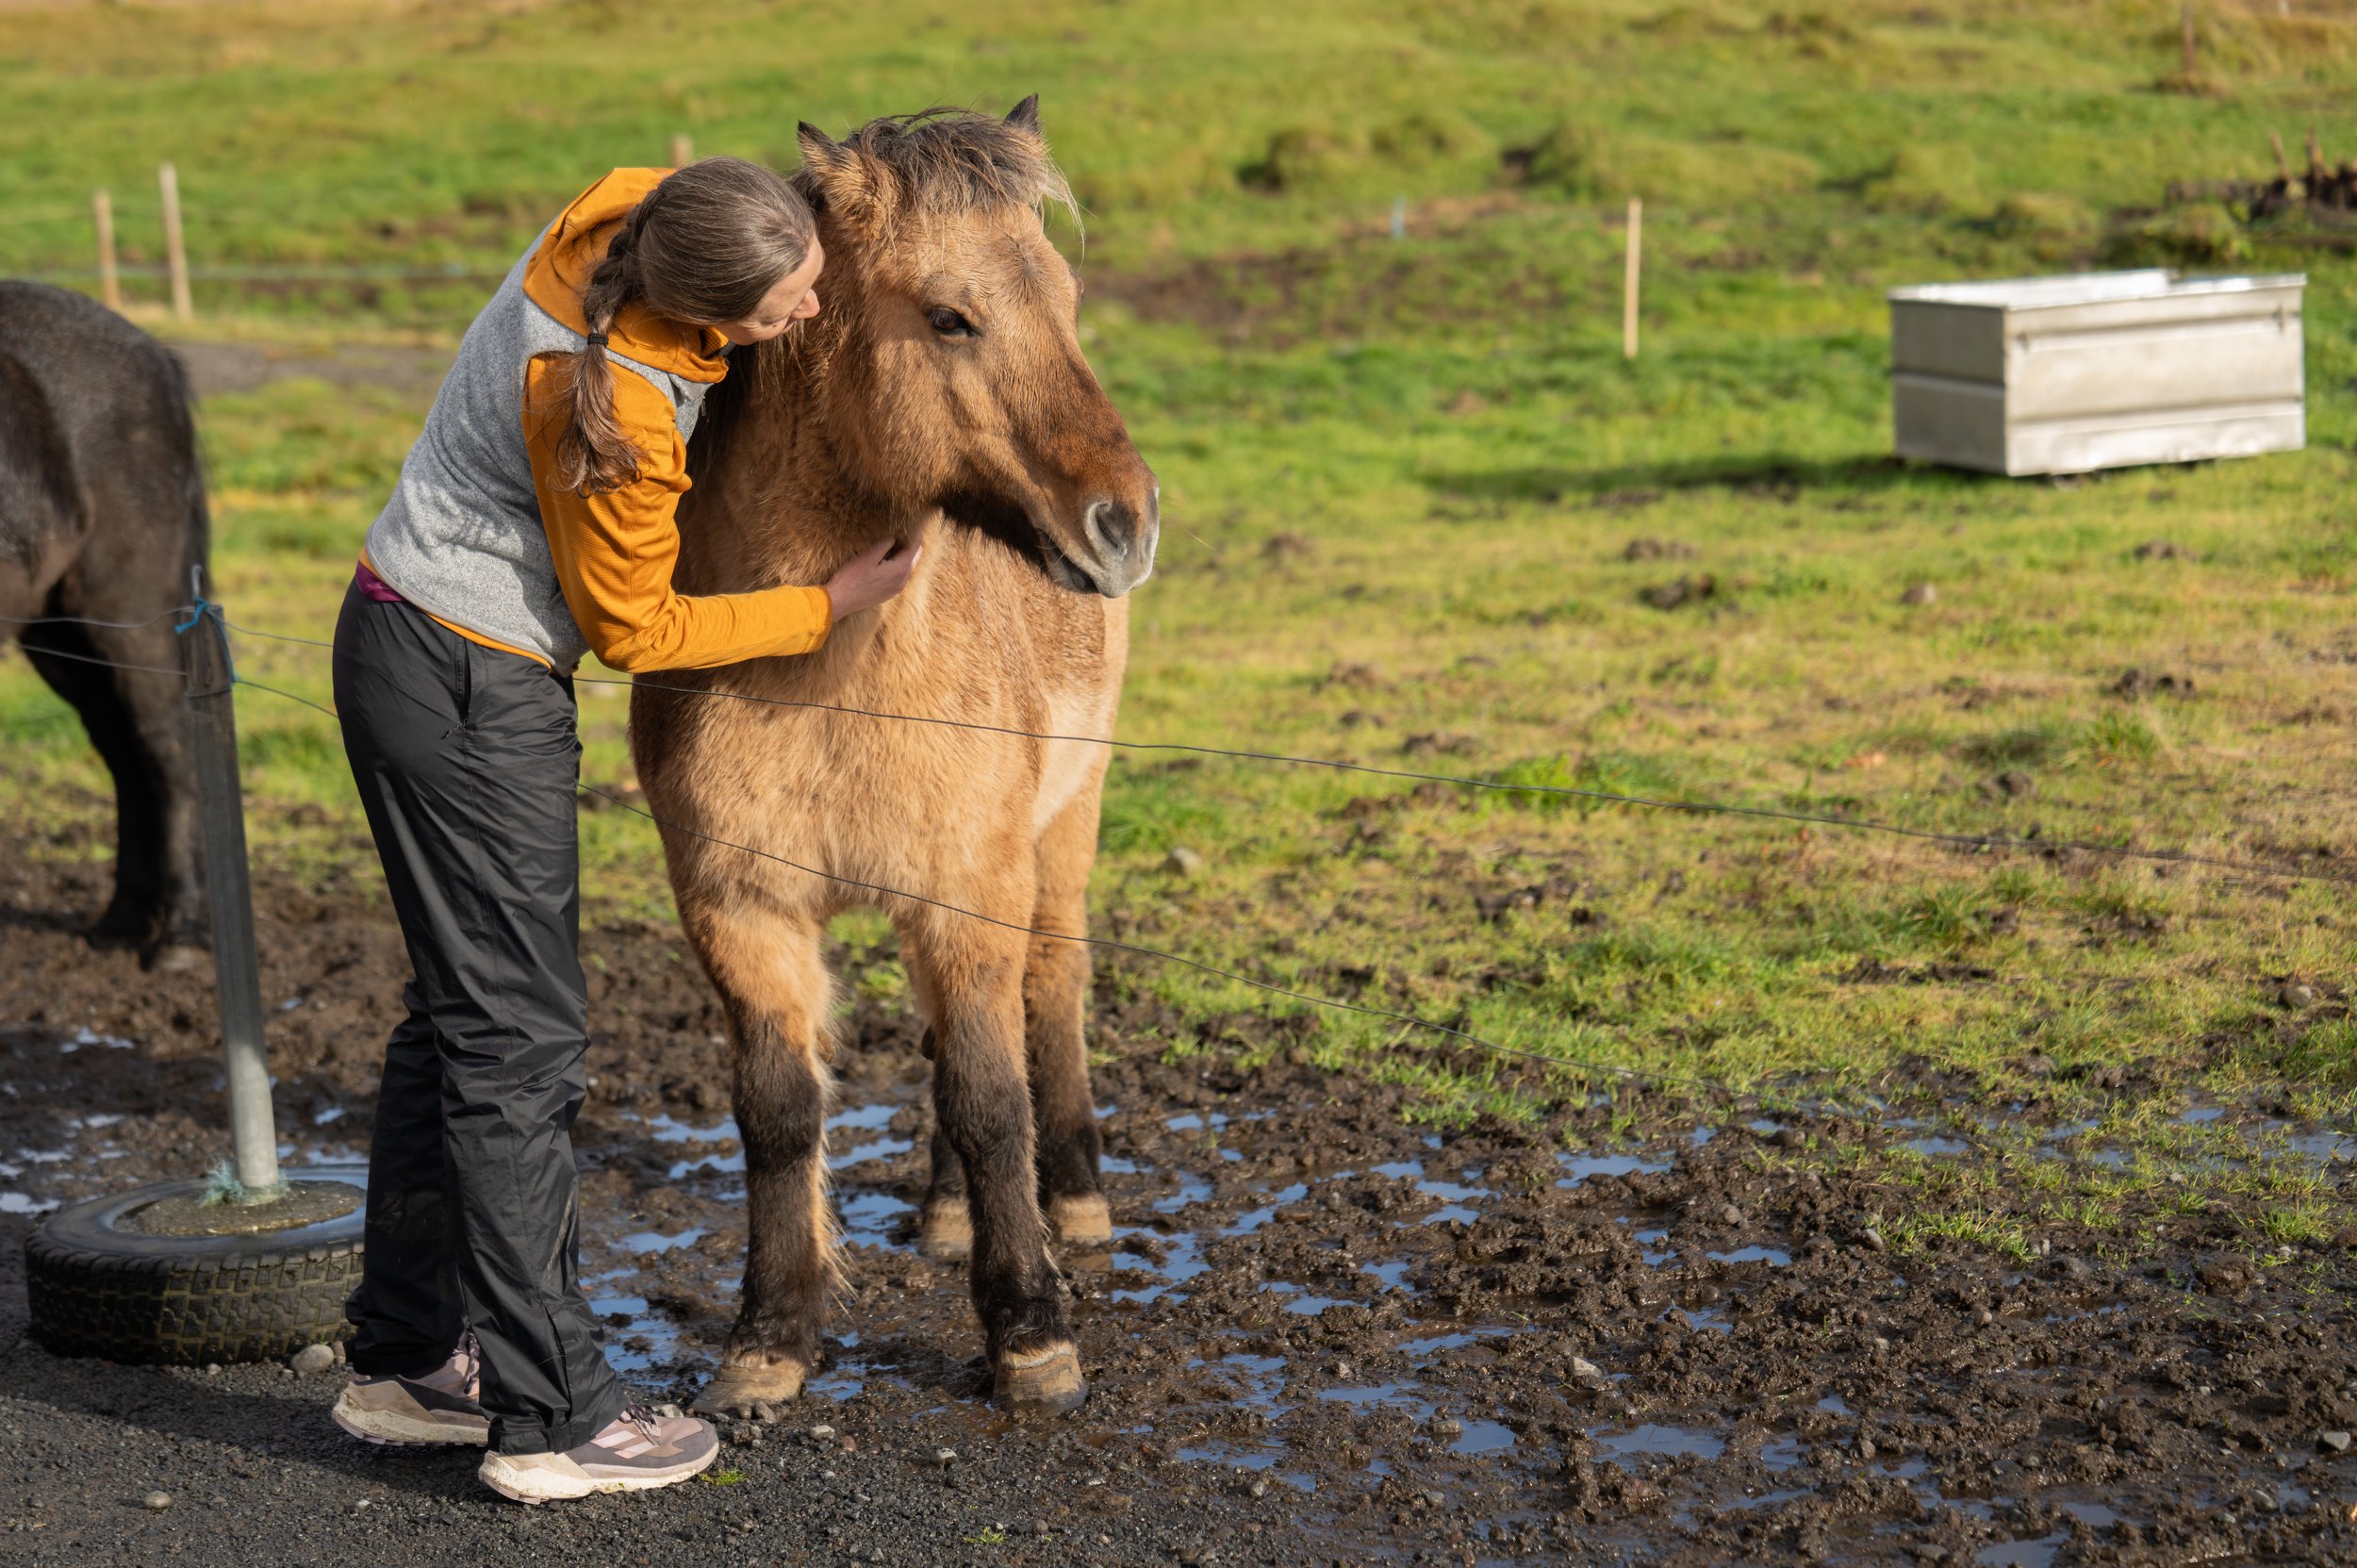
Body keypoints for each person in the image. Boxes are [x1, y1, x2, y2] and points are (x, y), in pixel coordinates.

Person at [325, 157, 917, 1504]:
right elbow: (635, 630)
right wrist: (826, 604)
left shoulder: (622, 206)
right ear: (707, 305)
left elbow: (709, 200)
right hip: (471, 684)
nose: (809, 318)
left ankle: (410, 1357)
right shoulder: (623, 413)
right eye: (786, 310)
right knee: (515, 1048)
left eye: (814, 281)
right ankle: (552, 1420)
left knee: (455, 1019)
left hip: (400, 633)